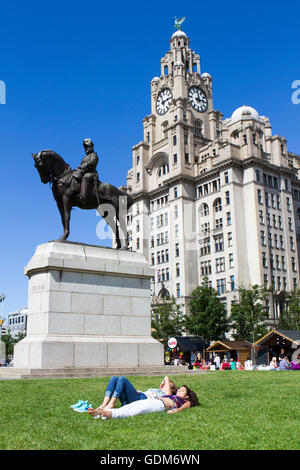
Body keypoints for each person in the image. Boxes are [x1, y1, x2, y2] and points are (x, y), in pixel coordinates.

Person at [95, 385, 200, 420]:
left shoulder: (186, 401)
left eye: (182, 391)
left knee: (136, 411)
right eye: (179, 389)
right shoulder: (172, 395)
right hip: (154, 401)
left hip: (160, 405)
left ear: (186, 396)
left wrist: (175, 411)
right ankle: (102, 413)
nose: (178, 391)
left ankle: (111, 414)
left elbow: (184, 407)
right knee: (130, 406)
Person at [88, 376, 178, 417]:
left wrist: (168, 381)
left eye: (169, 385)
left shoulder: (165, 394)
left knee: (123, 379)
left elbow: (166, 377)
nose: (164, 382)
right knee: (114, 378)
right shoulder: (155, 389)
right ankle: (104, 404)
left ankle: (111, 404)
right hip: (136, 397)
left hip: (141, 400)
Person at [73, 138, 99, 203]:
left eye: (87, 147)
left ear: (91, 146)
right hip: (83, 173)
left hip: (91, 174)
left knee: (85, 178)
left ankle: (83, 197)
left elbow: (91, 163)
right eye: (85, 147)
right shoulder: (84, 158)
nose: (86, 149)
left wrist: (81, 166)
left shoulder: (94, 155)